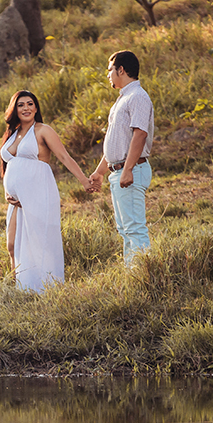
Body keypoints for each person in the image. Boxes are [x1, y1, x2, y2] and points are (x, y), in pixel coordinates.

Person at [0, 90, 98, 292]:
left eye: (30, 104)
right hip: (17, 200)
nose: (26, 108)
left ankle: (47, 287)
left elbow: (64, 157)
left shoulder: (43, 130)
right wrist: (8, 192)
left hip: (38, 192)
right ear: (14, 109)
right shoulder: (13, 133)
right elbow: (10, 166)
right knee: (12, 244)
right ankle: (18, 288)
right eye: (21, 105)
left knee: (39, 241)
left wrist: (84, 181)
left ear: (36, 108)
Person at [89, 50, 155, 267]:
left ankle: (143, 275)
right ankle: (132, 273)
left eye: (110, 70)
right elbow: (115, 141)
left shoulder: (138, 97)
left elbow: (140, 134)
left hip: (132, 170)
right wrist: (100, 172)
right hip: (119, 170)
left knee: (134, 227)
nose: (108, 75)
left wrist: (127, 169)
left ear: (121, 70)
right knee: (124, 228)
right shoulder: (122, 100)